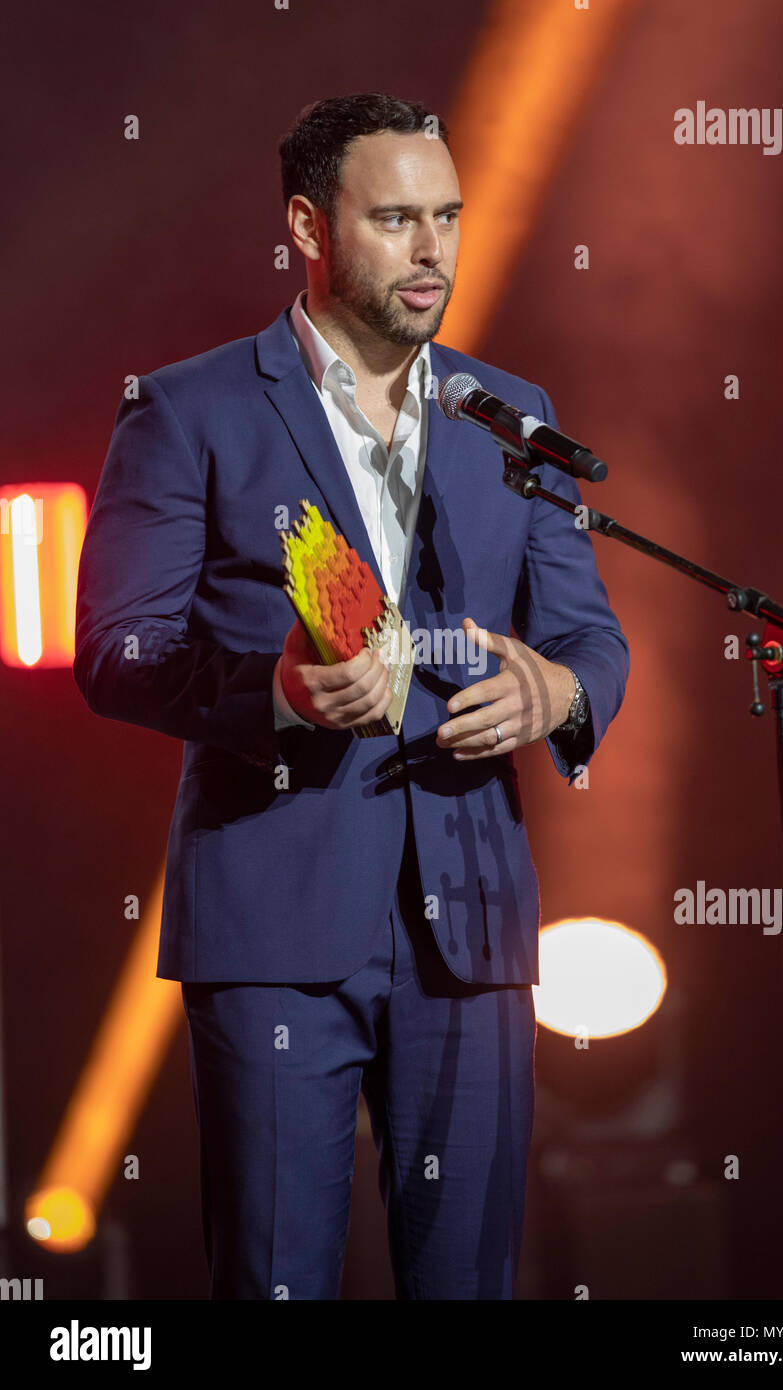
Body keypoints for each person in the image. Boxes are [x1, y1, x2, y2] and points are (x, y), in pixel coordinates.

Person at [74, 92, 629, 1300]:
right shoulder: (188, 407)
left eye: (448, 217)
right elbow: (116, 652)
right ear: (308, 227)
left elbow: (588, 637)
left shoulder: (505, 413)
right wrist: (274, 693)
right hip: (275, 921)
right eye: (395, 219)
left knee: (468, 1282)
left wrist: (557, 695)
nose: (432, 251)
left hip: (470, 927)